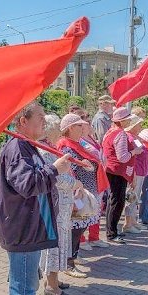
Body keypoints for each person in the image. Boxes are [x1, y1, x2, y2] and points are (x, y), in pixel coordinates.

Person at [0, 101, 72, 295]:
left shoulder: (27, 146)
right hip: (23, 230)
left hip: (30, 228)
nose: (44, 121)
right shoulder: (17, 148)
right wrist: (54, 169)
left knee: (25, 280)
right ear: (22, 122)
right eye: (39, 117)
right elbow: (28, 185)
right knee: (25, 284)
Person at [38, 114, 82, 295]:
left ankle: (53, 280)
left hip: (60, 206)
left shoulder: (48, 148)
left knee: (59, 242)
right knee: (53, 245)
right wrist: (76, 183)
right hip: (55, 206)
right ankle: (51, 285)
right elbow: (57, 177)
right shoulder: (45, 151)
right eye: (57, 128)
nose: (59, 132)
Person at [57, 113, 105, 278]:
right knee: (75, 228)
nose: (83, 127)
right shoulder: (65, 146)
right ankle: (68, 262)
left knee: (81, 225)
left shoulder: (77, 143)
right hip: (76, 193)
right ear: (70, 128)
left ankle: (73, 257)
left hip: (84, 191)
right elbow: (69, 169)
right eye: (79, 125)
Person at [101, 107, 142, 243]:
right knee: (117, 202)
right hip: (117, 171)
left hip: (111, 169)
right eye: (128, 119)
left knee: (113, 201)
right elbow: (123, 157)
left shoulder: (110, 132)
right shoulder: (120, 134)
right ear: (123, 121)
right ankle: (112, 233)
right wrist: (135, 152)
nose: (129, 121)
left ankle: (112, 231)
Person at [73, 108, 109, 251]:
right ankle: (81, 240)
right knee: (83, 209)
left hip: (96, 177)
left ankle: (94, 237)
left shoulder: (91, 138)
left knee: (96, 208)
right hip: (85, 179)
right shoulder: (79, 141)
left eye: (88, 122)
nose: (89, 125)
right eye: (85, 123)